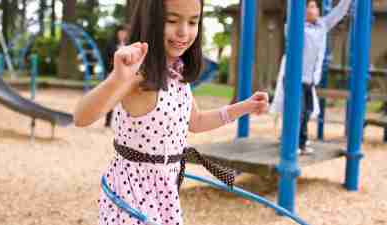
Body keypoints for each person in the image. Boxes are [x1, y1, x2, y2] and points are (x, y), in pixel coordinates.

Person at [74, 0, 269, 224]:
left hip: (166, 190)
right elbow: (81, 117)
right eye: (172, 20)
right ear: (150, 20)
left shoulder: (177, 75)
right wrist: (117, 79)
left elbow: (196, 121)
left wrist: (244, 107)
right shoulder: (139, 75)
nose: (183, 32)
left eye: (193, 21)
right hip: (132, 191)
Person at [271, 0, 352, 155]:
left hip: (309, 79)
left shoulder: (322, 25)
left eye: (315, 6)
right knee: (297, 111)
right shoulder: (295, 26)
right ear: (302, 10)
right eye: (311, 7)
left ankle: (301, 143)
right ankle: (290, 143)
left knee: (308, 111)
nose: (315, 10)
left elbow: (338, 12)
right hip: (294, 78)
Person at [103, 24, 129, 127]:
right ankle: (108, 121)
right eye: (121, 32)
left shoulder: (129, 44)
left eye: (124, 32)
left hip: (126, 76)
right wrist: (112, 67)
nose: (123, 34)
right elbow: (105, 58)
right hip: (112, 74)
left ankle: (124, 123)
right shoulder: (111, 44)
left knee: (124, 98)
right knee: (111, 97)